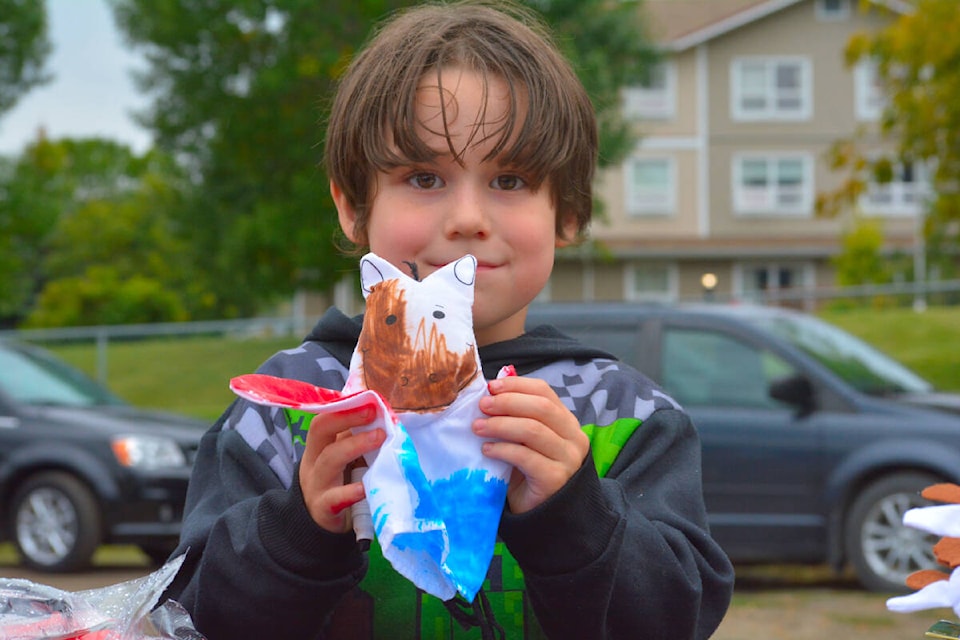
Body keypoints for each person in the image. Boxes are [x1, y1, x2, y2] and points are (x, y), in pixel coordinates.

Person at [163, 1, 735, 638]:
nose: (468, 217)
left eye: (510, 179)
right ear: (353, 206)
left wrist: (577, 512)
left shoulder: (624, 417)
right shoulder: (285, 413)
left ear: (568, 213)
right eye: (424, 176)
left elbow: (679, 616)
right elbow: (188, 613)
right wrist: (300, 527)